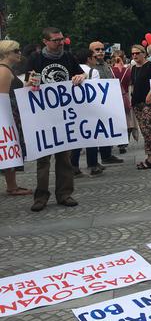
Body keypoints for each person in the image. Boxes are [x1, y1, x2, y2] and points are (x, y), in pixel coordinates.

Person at [25, 27, 85, 212]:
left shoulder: (68, 57)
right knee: (43, 160)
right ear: (45, 41)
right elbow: (27, 80)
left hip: (64, 116)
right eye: (55, 40)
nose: (60, 43)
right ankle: (41, 196)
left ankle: (64, 194)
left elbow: (82, 73)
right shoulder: (35, 59)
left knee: (64, 159)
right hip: (43, 116)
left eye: (61, 39)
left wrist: (80, 77)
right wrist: (31, 83)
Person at [0, 40, 32, 196]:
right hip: (7, 116)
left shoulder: (7, 70)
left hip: (10, 114)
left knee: (9, 150)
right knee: (9, 149)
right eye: (16, 51)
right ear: (6, 53)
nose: (20, 53)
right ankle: (12, 187)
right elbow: (3, 99)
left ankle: (12, 185)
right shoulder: (4, 71)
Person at [70, 48, 105, 177]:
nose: (96, 59)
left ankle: (74, 165)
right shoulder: (92, 71)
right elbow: (96, 89)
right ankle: (93, 164)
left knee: (77, 137)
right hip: (89, 108)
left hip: (75, 108)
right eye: (94, 57)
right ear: (89, 59)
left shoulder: (72, 69)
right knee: (91, 136)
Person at [89, 41, 124, 166]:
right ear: (91, 52)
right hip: (95, 103)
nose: (100, 51)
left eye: (102, 49)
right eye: (97, 49)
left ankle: (106, 155)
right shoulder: (90, 67)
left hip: (108, 102)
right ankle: (95, 160)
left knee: (107, 128)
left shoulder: (106, 65)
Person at [130, 44, 151, 169]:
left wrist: (150, 94)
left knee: (148, 129)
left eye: (137, 53)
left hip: (148, 103)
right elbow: (133, 83)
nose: (135, 55)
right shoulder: (133, 68)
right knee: (144, 130)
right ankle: (150, 156)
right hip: (137, 103)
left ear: (144, 53)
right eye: (133, 54)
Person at [111, 50, 136, 154]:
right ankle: (124, 143)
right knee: (128, 121)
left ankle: (115, 140)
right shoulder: (129, 71)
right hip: (125, 97)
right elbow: (131, 83)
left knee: (115, 121)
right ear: (124, 58)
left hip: (113, 99)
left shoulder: (110, 71)